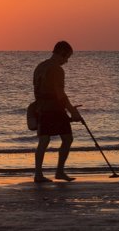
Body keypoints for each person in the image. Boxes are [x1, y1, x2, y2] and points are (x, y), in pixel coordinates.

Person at [33, 41, 82, 183]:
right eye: (67, 58)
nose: (66, 61)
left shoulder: (40, 66)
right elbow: (60, 93)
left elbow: (37, 90)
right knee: (67, 138)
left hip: (41, 107)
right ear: (62, 53)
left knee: (44, 140)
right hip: (54, 108)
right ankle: (59, 172)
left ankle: (38, 174)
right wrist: (73, 111)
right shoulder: (57, 69)